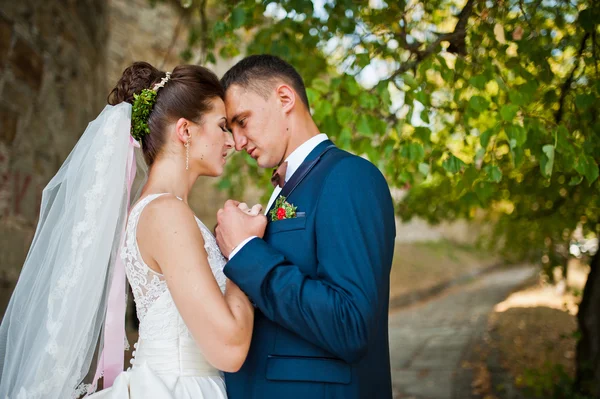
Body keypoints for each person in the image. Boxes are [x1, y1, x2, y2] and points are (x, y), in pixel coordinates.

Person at [0, 62, 255, 399]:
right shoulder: (167, 214)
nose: (233, 142)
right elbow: (228, 349)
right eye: (222, 126)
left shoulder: (163, 210)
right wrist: (244, 249)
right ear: (185, 131)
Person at [215, 54, 397, 399]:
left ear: (285, 98)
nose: (237, 142)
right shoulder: (286, 189)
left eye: (242, 121)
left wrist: (245, 252)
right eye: (230, 129)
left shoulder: (349, 177)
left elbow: (350, 324)